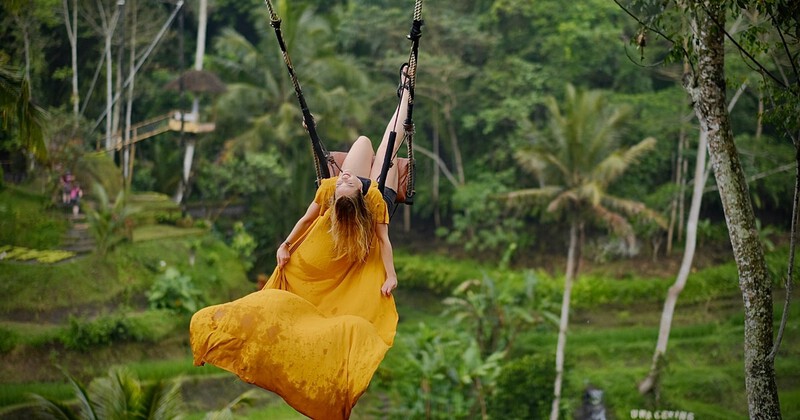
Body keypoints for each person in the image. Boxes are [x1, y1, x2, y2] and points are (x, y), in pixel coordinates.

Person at [190, 65, 412, 420]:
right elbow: (330, 226)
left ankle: (404, 95)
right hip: (368, 203)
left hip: (364, 207)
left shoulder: (352, 194)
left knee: (374, 145)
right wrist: (286, 245)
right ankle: (405, 95)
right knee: (375, 144)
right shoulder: (353, 194)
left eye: (346, 180)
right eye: (345, 180)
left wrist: (390, 275)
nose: (345, 176)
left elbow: (353, 233)